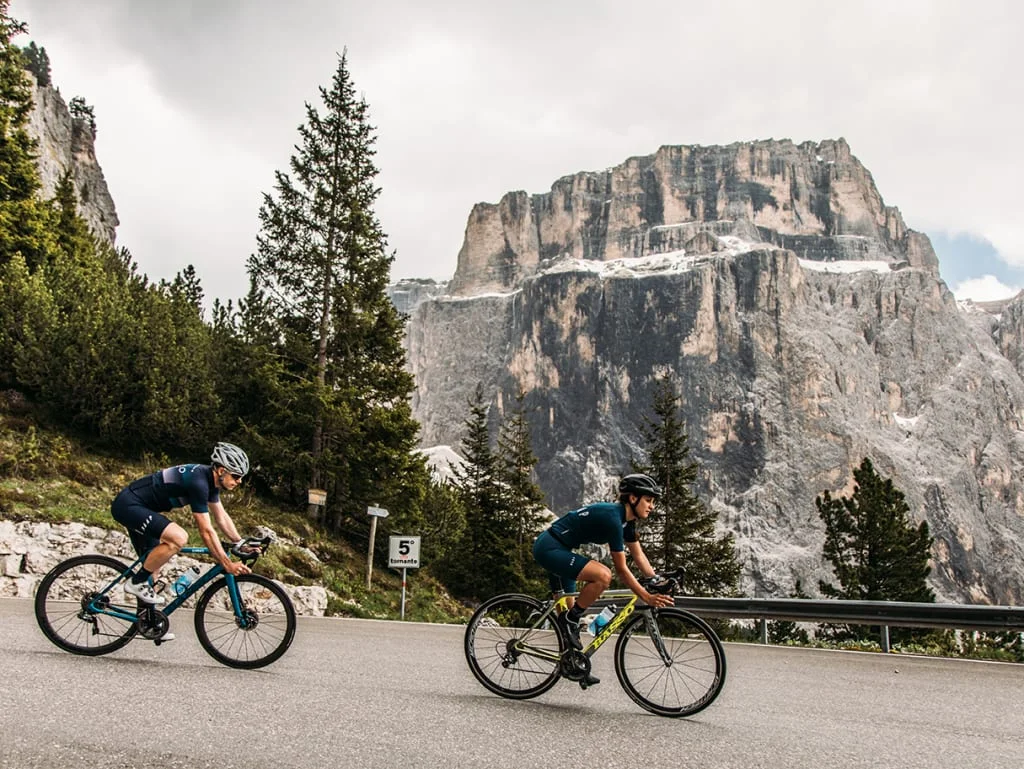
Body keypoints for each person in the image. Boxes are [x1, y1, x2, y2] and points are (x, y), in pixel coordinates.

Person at [532, 473, 676, 687]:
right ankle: (570, 619)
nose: (652, 506)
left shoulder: (627, 522)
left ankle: (573, 665)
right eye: (649, 500)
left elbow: (638, 556)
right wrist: (645, 595)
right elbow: (622, 569)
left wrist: (656, 579)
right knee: (603, 575)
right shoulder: (613, 519)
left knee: (569, 631)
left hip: (560, 549)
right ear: (633, 498)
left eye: (653, 502)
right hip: (549, 548)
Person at [111, 442, 253, 639]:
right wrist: (226, 563)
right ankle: (136, 582)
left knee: (153, 570)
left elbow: (221, 517)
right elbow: (206, 531)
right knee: (178, 538)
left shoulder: (211, 482)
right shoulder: (199, 482)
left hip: (142, 508)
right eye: (236, 476)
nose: (239, 482)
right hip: (129, 505)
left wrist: (241, 542)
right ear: (221, 470)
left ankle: (149, 624)